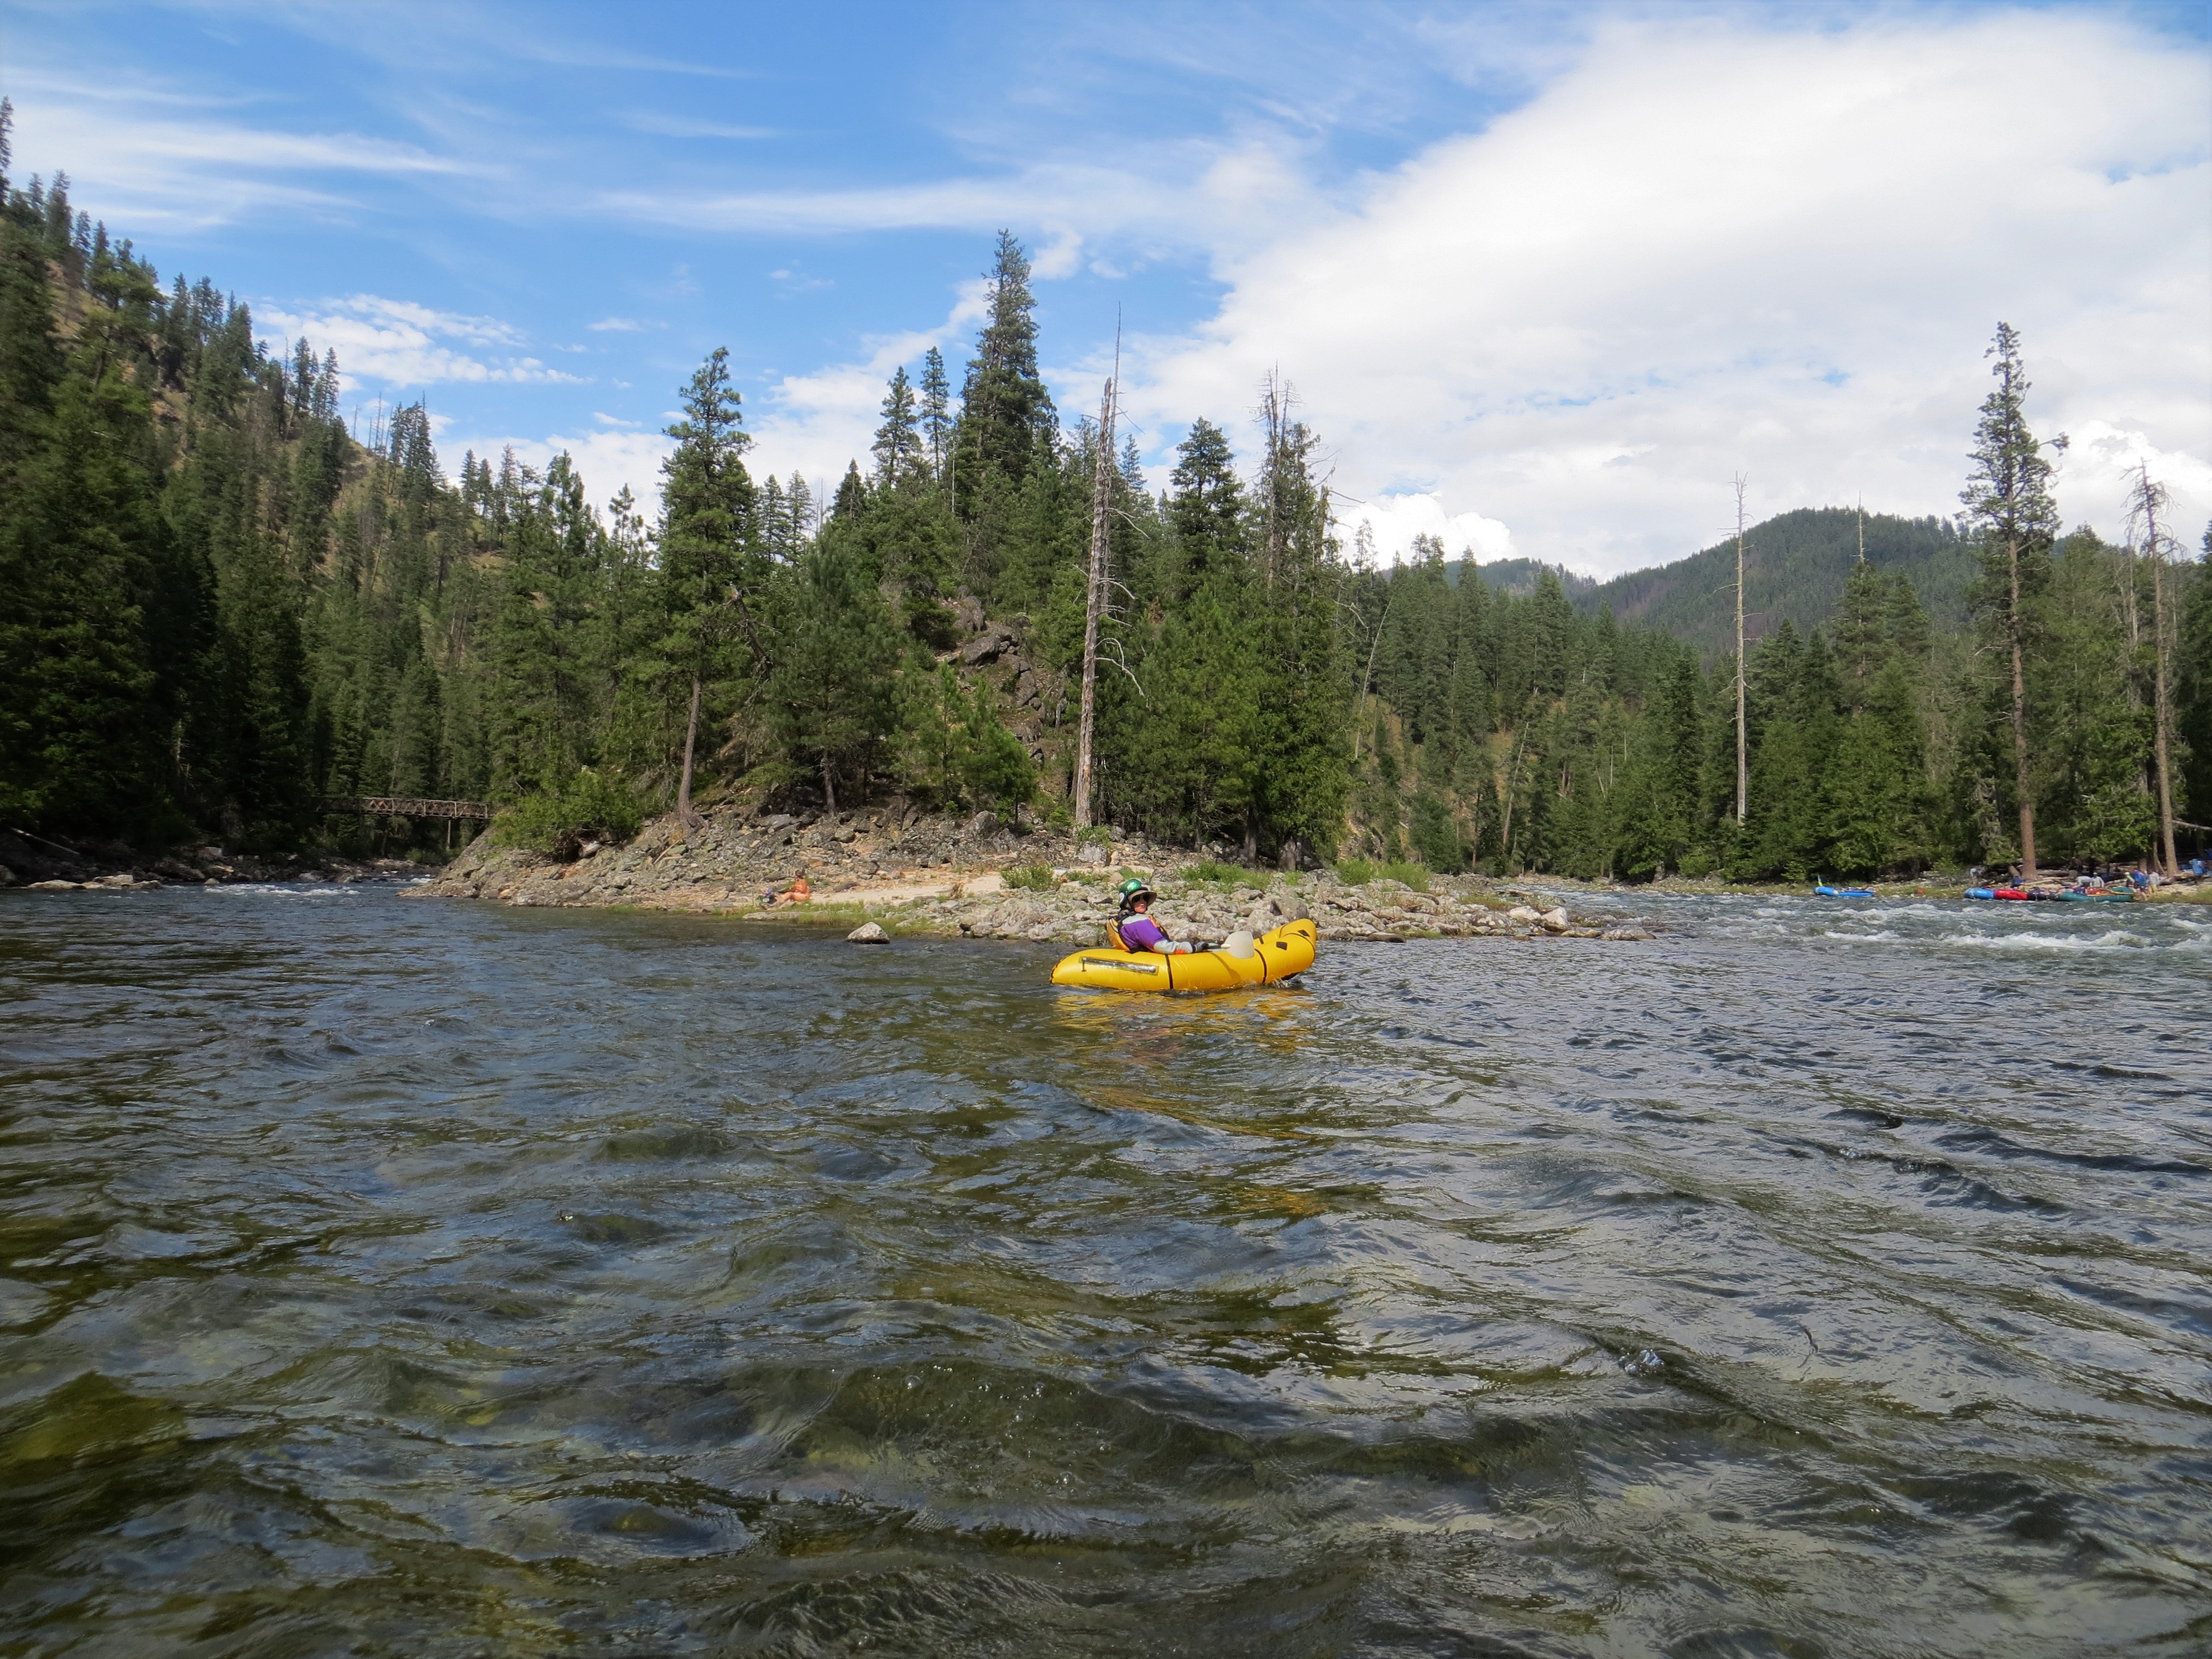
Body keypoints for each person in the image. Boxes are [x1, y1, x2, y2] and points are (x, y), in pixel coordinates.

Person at [1112, 877, 1192, 954]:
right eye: (1137, 899)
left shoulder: (1123, 920)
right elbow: (1163, 947)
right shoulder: (1137, 922)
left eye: (1145, 898)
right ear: (1128, 903)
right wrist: (1193, 947)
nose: (1142, 901)